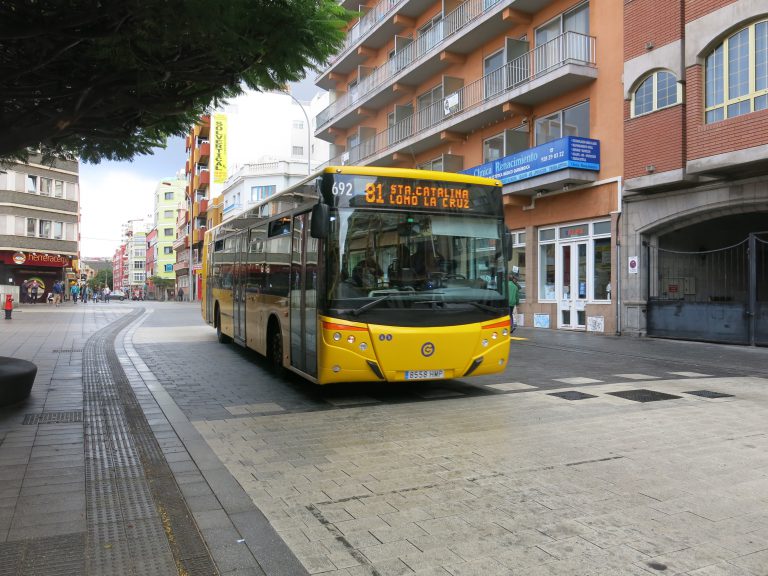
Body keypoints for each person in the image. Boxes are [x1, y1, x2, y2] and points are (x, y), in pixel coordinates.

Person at [508, 266, 521, 332]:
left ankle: (510, 327)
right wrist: (517, 304)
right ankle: (511, 326)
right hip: (513, 302)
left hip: (507, 302)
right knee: (510, 314)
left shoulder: (506, 284)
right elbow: (517, 296)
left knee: (508, 315)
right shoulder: (515, 286)